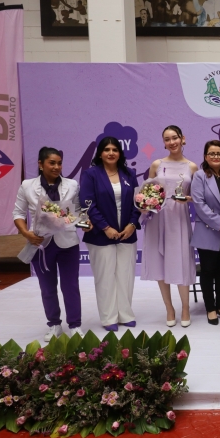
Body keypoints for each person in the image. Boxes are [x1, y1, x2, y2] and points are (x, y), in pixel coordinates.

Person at [13, 147, 87, 342]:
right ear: (40, 164)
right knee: (47, 287)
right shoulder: (27, 185)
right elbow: (18, 213)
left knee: (70, 286)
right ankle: (54, 324)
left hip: (68, 243)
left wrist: (85, 224)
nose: (56, 167)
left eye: (59, 163)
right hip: (40, 244)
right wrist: (26, 233)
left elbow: (77, 212)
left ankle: (75, 325)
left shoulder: (72, 185)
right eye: (52, 163)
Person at [80, 137, 141, 331]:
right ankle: (108, 318)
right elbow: (87, 204)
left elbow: (138, 202)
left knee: (126, 275)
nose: (111, 153)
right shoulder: (91, 175)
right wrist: (105, 227)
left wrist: (132, 224)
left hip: (127, 233)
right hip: (100, 235)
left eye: (115, 149)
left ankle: (125, 314)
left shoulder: (129, 173)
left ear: (120, 153)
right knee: (105, 276)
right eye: (107, 149)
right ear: (100, 153)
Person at [142, 126, 197, 328]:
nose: (172, 142)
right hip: (157, 219)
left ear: (183, 139)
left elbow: (197, 197)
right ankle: (169, 308)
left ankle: (185, 308)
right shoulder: (157, 164)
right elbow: (147, 191)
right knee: (160, 263)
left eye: (175, 138)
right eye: (167, 139)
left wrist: (188, 199)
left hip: (179, 219)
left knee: (181, 262)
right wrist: (145, 203)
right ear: (164, 143)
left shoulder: (192, 167)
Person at [191, 140, 220, 325]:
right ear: (205, 157)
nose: (216, 156)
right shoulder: (200, 176)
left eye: (219, 153)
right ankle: (210, 308)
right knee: (208, 271)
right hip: (207, 231)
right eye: (212, 153)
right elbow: (199, 204)